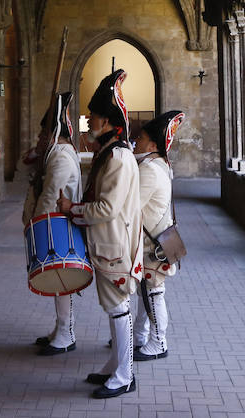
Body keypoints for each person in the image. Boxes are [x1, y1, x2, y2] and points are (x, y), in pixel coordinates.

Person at [58, 69, 142, 399]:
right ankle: (115, 366)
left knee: (118, 307)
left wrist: (71, 210)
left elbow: (106, 209)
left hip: (115, 245)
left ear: (106, 122)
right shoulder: (109, 153)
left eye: (92, 116)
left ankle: (124, 375)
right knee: (113, 307)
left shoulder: (119, 157)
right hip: (107, 244)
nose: (89, 120)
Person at [22, 92, 83, 356]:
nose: (40, 138)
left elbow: (51, 194)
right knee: (58, 280)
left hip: (56, 224)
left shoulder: (60, 157)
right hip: (54, 223)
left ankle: (66, 334)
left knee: (61, 280)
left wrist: (36, 224)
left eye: (44, 134)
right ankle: (60, 329)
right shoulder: (54, 153)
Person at [132, 110, 185, 361]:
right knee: (147, 289)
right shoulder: (159, 164)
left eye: (140, 139)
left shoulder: (150, 169)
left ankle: (159, 341)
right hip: (158, 238)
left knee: (154, 292)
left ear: (153, 145)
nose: (136, 143)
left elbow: (131, 206)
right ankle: (141, 336)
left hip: (152, 243)